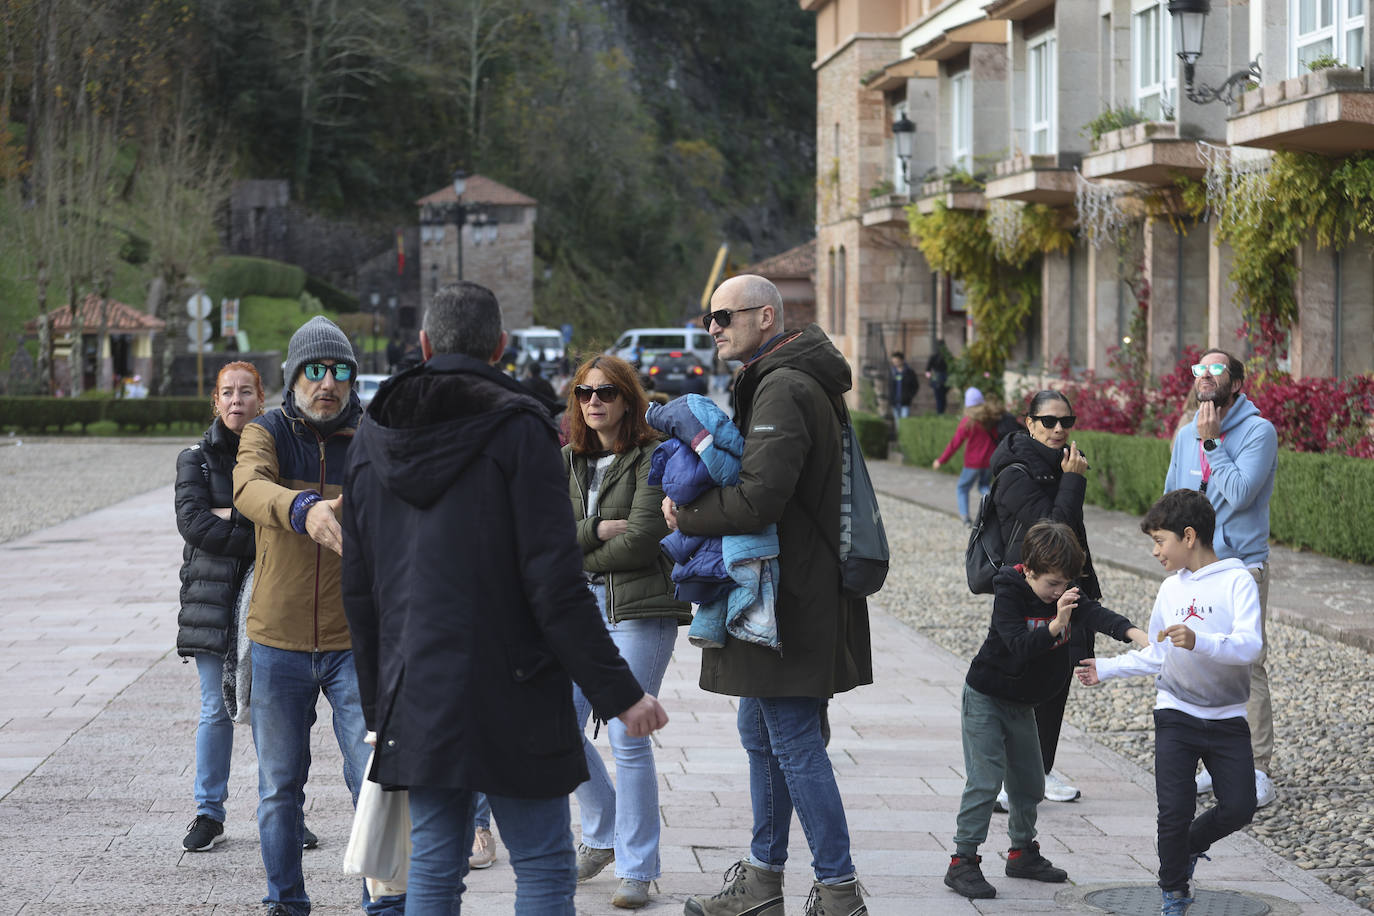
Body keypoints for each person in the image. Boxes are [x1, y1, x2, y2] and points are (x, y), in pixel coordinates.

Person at [340, 282, 667, 915]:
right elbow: (555, 581)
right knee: (543, 861)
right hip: (515, 681)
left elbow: (359, 587)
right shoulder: (522, 430)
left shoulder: (372, 434)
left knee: (433, 861)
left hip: (418, 682)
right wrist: (621, 693)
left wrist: (379, 700)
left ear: (425, 343)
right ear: (501, 347)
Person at [662, 274, 872, 916]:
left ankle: (838, 889)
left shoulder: (782, 385)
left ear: (765, 316)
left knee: (792, 739)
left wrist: (685, 515)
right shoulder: (778, 378)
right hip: (788, 589)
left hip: (789, 596)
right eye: (709, 319)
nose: (714, 328)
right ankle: (763, 879)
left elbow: (760, 497)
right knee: (763, 731)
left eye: (723, 316)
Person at [232, 316, 402, 916]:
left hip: (355, 642)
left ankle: (382, 905)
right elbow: (249, 488)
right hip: (278, 641)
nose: (326, 383)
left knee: (374, 784)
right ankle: (285, 903)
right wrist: (302, 507)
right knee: (279, 789)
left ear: (353, 380)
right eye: (314, 370)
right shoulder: (266, 431)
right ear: (293, 376)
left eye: (339, 372)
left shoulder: (373, 436)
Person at [1076, 489, 1262, 916]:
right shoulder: (1169, 589)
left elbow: (1250, 647)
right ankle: (1173, 892)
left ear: (1189, 536)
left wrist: (1201, 640)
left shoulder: (1238, 581)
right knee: (1173, 812)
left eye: (1160, 540)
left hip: (1227, 717)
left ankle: (1192, 846)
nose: (1156, 551)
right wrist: (1106, 668)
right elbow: (1158, 653)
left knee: (1240, 807)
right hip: (1175, 713)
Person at [945, 521, 1147, 900]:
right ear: (1029, 570)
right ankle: (962, 861)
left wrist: (1140, 636)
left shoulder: (1067, 591)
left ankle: (1021, 853)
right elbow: (1019, 645)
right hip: (987, 696)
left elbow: (1098, 615)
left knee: (1030, 785)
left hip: (1023, 704)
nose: (1060, 591)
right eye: (1052, 584)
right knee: (986, 781)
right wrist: (1057, 623)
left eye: (1066, 584)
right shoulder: (1009, 588)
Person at [562, 354, 691, 909]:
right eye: (586, 392)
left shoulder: (651, 455)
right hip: (576, 610)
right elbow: (544, 535)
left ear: (628, 398)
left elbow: (641, 538)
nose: (595, 401)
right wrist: (591, 529)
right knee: (553, 723)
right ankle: (602, 826)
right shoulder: (566, 459)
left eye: (608, 392)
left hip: (639, 609)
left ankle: (636, 868)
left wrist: (579, 552)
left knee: (626, 735)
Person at [1164, 349, 1278, 808]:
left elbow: (1240, 493)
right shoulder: (1185, 432)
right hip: (1193, 570)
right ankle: (1206, 763)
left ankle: (1256, 769)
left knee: (1245, 664)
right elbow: (1172, 499)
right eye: (1200, 369)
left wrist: (1213, 444)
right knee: (1189, 661)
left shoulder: (1258, 432)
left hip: (1240, 569)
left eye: (1216, 369)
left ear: (1236, 381)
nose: (1205, 376)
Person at [987, 389, 1097, 806]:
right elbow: (1054, 533)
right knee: (1018, 684)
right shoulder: (1014, 471)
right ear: (1029, 423)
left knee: (1055, 682)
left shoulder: (1062, 464)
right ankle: (1002, 778)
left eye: (1065, 422)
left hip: (1064, 591)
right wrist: (1073, 482)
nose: (1058, 430)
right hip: (1026, 592)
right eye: (1048, 421)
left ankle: (1041, 771)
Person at [175, 361, 261, 851]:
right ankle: (209, 812)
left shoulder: (271, 453)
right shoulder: (195, 459)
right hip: (210, 599)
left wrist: (227, 512)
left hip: (265, 597)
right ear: (216, 401)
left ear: (259, 399)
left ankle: (284, 809)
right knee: (214, 709)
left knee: (273, 711)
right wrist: (253, 525)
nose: (236, 401)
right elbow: (192, 522)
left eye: (245, 392)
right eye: (227, 392)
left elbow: (280, 514)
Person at [932, 387, 998, 526]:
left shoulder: (967, 422)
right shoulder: (990, 419)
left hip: (972, 463)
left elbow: (954, 444)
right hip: (989, 462)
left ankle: (966, 518)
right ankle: (994, 510)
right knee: (985, 487)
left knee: (962, 488)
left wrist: (941, 460)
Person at [888, 351, 918, 420]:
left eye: (897, 361)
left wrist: (909, 396)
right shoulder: (892, 372)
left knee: (904, 420)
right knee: (897, 422)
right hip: (895, 401)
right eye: (894, 361)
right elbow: (890, 386)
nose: (895, 363)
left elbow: (915, 386)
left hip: (905, 402)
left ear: (902, 360)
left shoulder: (909, 372)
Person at [926, 341, 950, 415]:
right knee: (941, 397)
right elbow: (927, 370)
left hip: (939, 378)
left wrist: (930, 378)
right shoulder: (946, 356)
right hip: (943, 378)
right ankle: (941, 411)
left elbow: (927, 370)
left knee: (939, 397)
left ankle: (940, 412)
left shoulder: (944, 356)